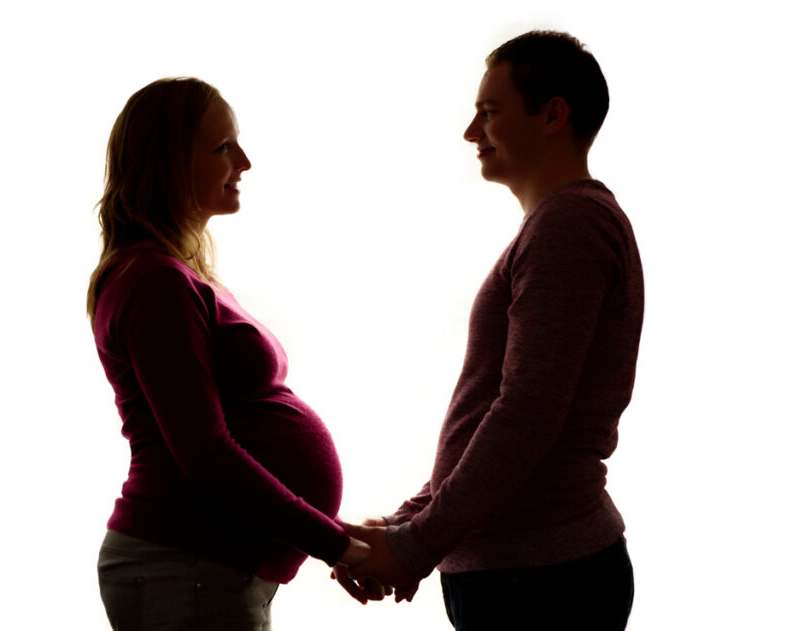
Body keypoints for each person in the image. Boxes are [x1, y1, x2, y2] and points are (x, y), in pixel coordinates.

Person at [335, 31, 644, 629]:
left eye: (490, 112)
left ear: (553, 115)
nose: (472, 132)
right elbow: (488, 417)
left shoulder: (568, 227)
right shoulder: (559, 226)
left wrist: (415, 544)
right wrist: (409, 524)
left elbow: (526, 415)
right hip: (525, 573)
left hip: (540, 582)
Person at [86, 77, 369, 631]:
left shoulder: (173, 276)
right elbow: (206, 454)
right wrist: (337, 546)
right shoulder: (155, 282)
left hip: (201, 566)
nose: (243, 160)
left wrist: (332, 533)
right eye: (222, 147)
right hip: (186, 565)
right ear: (168, 162)